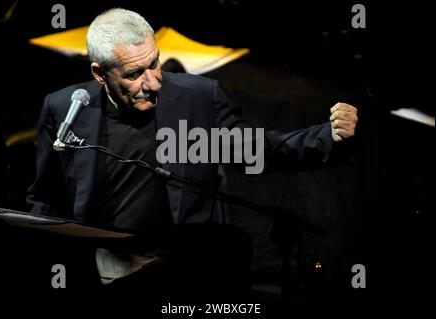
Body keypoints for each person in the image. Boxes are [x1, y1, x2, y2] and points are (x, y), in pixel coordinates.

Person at [26, 8, 358, 297]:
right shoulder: (64, 108)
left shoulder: (198, 97)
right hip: (104, 273)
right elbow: (46, 198)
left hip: (184, 273)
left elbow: (257, 150)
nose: (153, 81)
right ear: (100, 73)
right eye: (134, 74)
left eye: (154, 64)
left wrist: (328, 137)